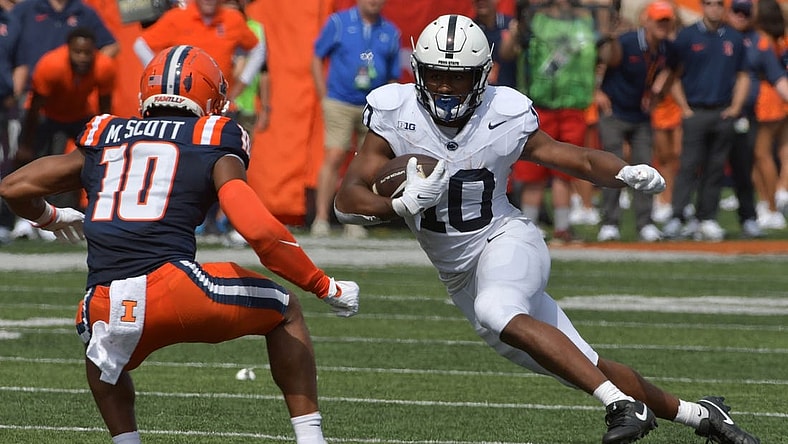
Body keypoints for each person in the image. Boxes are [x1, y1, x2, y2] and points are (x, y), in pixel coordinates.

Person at [334, 15, 759, 444]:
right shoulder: (394, 110)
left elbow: (573, 158)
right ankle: (702, 416)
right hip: (460, 277)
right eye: (436, 75)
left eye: (457, 78)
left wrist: (625, 171)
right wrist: (398, 204)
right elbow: (347, 198)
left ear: (480, 76)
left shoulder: (504, 111)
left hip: (505, 239)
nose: (444, 87)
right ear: (419, 71)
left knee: (496, 310)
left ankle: (620, 405)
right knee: (585, 364)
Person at [0, 45, 360, 444]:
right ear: (210, 96)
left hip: (103, 300)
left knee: (104, 354)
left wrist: (50, 217)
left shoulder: (107, 134)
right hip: (174, 289)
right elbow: (258, 230)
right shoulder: (213, 135)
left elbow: (13, 186)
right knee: (285, 311)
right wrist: (323, 285)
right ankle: (312, 440)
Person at [499, 0, 598, 244]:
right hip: (540, 105)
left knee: (565, 169)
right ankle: (530, 228)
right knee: (533, 170)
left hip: (573, 105)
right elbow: (506, 54)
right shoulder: (534, 18)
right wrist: (516, 31)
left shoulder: (585, 21)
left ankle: (562, 227)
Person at [309, 0, 401, 239]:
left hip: (374, 106)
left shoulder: (391, 31)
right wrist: (323, 96)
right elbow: (317, 56)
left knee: (368, 162)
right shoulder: (338, 22)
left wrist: (390, 108)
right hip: (340, 100)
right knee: (335, 155)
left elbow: (393, 76)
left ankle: (356, 220)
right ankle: (321, 218)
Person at [662, 0, 750, 241]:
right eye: (710, 3)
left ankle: (707, 217)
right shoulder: (687, 36)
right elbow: (673, 75)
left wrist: (735, 107)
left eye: (719, 4)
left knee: (715, 169)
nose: (714, 8)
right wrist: (685, 108)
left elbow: (743, 75)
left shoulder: (733, 37)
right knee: (688, 166)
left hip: (722, 111)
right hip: (696, 110)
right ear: (702, 6)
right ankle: (677, 217)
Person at [594, 0, 678, 242]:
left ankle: (645, 223)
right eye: (659, 20)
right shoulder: (628, 41)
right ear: (646, 21)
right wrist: (596, 92)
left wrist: (658, 92)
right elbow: (604, 61)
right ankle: (609, 222)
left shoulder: (666, 48)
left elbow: (675, 68)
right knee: (613, 165)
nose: (663, 26)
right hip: (615, 110)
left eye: (667, 21)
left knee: (644, 168)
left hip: (640, 115)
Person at [16, 27, 116, 211]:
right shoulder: (51, 65)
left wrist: (104, 141)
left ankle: (75, 208)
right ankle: (20, 214)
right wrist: (27, 144)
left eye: (87, 53)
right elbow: (35, 107)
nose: (83, 58)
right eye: (77, 52)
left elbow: (105, 109)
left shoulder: (104, 66)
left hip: (79, 115)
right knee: (30, 158)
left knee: (95, 157)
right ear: (67, 49)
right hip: (47, 115)